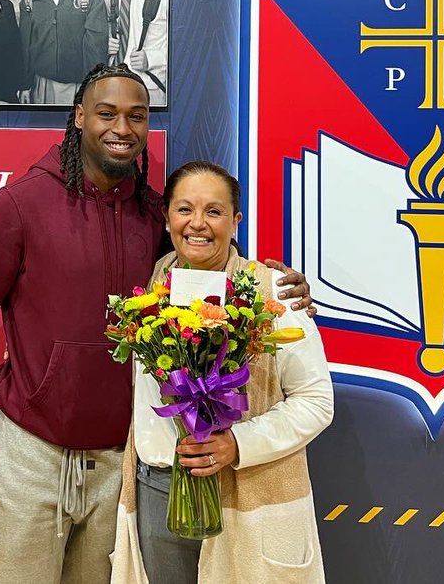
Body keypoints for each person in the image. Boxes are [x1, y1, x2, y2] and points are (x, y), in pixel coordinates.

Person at [0, 63, 313, 584]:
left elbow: (203, 261)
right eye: (106, 113)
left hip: (117, 465)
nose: (121, 128)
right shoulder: (20, 204)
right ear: (79, 116)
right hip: (29, 454)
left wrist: (271, 283)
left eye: (136, 116)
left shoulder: (153, 217)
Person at [110, 161, 332, 583]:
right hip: (158, 492)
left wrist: (238, 444)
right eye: (184, 209)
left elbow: (317, 401)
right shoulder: (148, 288)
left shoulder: (273, 293)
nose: (198, 224)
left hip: (245, 490)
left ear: (235, 221)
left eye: (214, 212)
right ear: (166, 216)